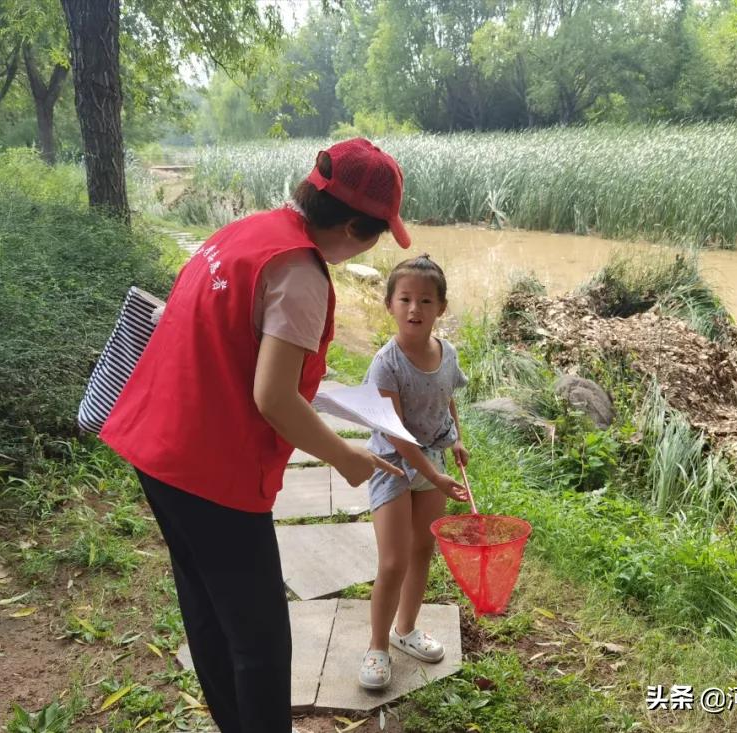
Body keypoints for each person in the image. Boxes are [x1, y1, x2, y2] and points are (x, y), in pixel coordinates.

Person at [99, 138, 408, 733]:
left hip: (155, 442)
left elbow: (236, 348)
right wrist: (344, 457)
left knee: (209, 609)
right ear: (350, 226)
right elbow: (271, 398)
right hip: (208, 469)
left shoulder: (248, 232)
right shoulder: (301, 275)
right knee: (262, 640)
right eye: (375, 234)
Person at [358, 254, 471, 690]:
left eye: (426, 300)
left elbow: (447, 396)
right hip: (394, 465)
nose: (414, 309)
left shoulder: (447, 353)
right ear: (389, 304)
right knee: (393, 560)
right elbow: (398, 434)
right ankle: (377, 646)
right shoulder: (386, 363)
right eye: (404, 299)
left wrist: (457, 438)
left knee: (423, 549)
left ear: (441, 307)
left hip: (434, 464)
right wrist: (435, 474)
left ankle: (405, 630)